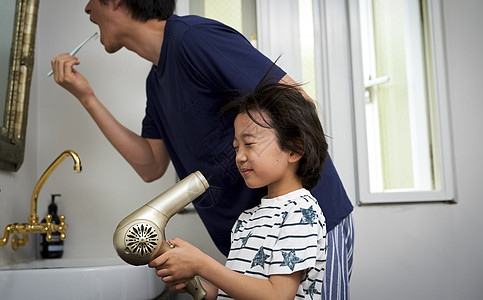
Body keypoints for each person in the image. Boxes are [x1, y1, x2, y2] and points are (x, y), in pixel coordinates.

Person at [50, 1, 354, 298]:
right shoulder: (156, 83)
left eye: (91, 0)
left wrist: (203, 264)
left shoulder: (193, 38)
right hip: (250, 238)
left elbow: (299, 104)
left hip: (298, 223)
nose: (87, 9)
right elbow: (150, 165)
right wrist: (87, 97)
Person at [149, 77, 328, 299]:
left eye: (250, 144)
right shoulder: (247, 218)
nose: (240, 157)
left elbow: (278, 296)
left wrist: (201, 264)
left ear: (294, 149)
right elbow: (232, 292)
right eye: (236, 148)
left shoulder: (301, 213)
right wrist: (194, 282)